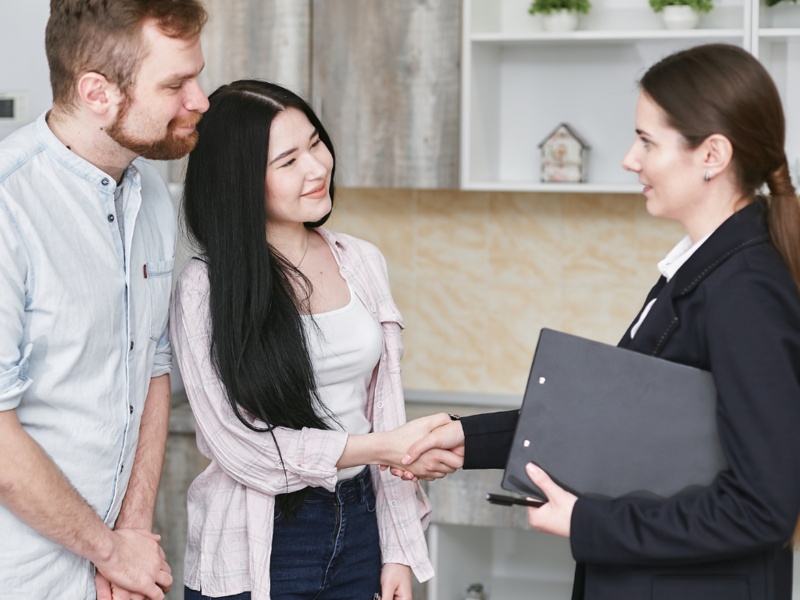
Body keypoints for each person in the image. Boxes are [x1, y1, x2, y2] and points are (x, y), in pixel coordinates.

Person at [397, 44, 800, 600]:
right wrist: (467, 439)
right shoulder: (700, 269)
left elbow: (762, 509)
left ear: (712, 154)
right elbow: (614, 425)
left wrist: (589, 522)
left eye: (647, 141)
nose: (630, 160)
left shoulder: (744, 289)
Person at [171, 79, 463, 600]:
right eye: (287, 161)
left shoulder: (361, 260)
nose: (317, 166)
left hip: (360, 526)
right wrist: (381, 447)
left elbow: (384, 411)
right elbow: (238, 449)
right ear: (239, 180)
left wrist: (396, 550)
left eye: (315, 143)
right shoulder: (206, 287)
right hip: (259, 540)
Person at [0, 1, 209, 599]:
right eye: (175, 83)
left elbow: (154, 367)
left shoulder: (155, 194)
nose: (200, 100)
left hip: (109, 573)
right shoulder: (10, 206)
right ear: (97, 92)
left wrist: (130, 536)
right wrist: (109, 548)